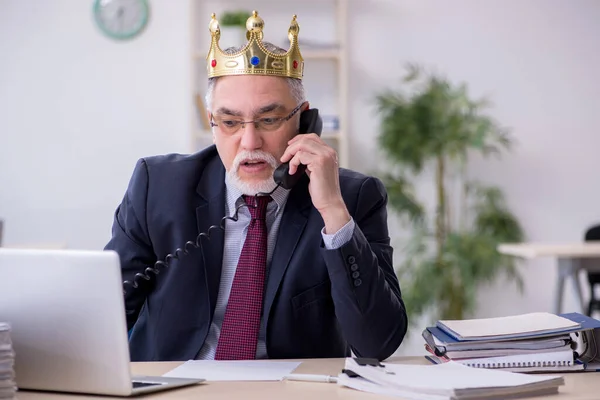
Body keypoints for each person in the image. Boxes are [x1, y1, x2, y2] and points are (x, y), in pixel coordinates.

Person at [105, 10, 408, 362]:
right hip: (175, 387)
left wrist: (333, 214)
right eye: (230, 122)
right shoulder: (156, 187)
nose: (250, 142)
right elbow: (107, 313)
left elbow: (378, 344)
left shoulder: (354, 197)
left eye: (268, 119)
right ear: (211, 122)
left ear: (305, 119)